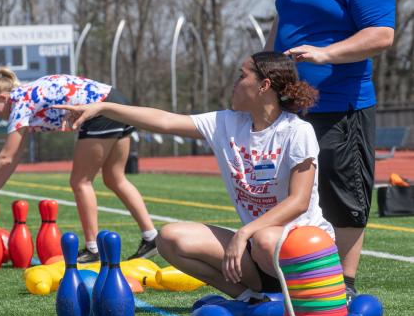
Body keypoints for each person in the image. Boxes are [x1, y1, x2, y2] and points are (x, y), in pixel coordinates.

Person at [56, 51, 333, 298]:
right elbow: (164, 121)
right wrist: (103, 108)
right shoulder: (226, 123)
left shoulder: (297, 131)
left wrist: (243, 234)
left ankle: (309, 300)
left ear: (264, 85)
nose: (234, 83)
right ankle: (251, 299)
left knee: (264, 241)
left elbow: (298, 201)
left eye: (242, 76)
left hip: (300, 248)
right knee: (170, 239)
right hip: (256, 246)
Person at [265, 0, 396, 302]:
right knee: (291, 189)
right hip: (291, 102)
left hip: (339, 105)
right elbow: (283, 16)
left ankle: (344, 283)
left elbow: (382, 34)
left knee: (342, 190)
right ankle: (296, 273)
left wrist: (326, 54)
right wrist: (265, 62)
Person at [0, 69, 158, 263]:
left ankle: (93, 248)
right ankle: (151, 237)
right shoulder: (26, 97)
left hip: (100, 111)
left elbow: (5, 157)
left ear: (2, 97)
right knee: (115, 178)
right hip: (116, 100)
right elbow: (14, 157)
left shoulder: (20, 103)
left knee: (80, 182)